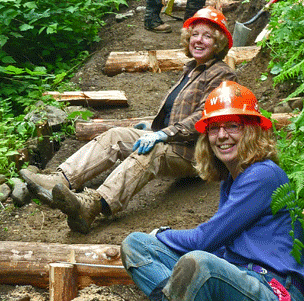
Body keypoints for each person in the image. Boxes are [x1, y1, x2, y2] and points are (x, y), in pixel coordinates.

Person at [100, 81, 304, 301]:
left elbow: (205, 240)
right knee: (136, 245)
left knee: (198, 263)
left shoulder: (263, 176)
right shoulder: (234, 177)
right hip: (243, 290)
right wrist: (156, 239)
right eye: (215, 127)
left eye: (233, 126)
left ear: (253, 131)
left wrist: (163, 233)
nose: (223, 135)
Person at [19, 7, 236, 234]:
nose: (198, 40)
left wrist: (163, 134)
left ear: (218, 43)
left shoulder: (222, 74)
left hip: (193, 153)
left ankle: (92, 205)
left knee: (153, 151)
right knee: (116, 135)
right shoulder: (191, 69)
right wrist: (152, 128)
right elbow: (178, 110)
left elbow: (205, 115)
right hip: (172, 140)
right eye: (195, 34)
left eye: (207, 36)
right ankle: (61, 180)